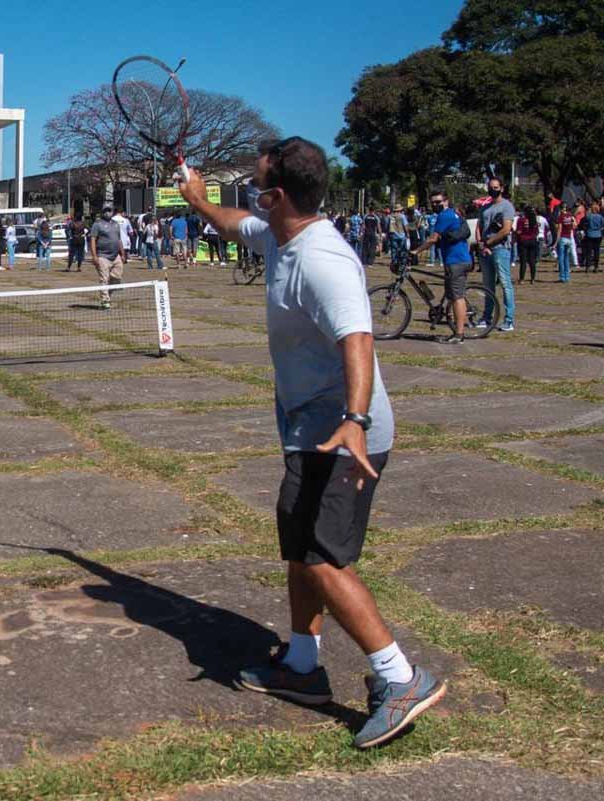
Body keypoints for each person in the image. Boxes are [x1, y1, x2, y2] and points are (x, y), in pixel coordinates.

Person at [177, 136, 444, 749]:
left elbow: (358, 338)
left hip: (349, 435)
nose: (248, 194)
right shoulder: (277, 234)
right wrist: (197, 198)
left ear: (276, 196)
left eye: (254, 185)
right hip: (306, 428)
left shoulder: (323, 258)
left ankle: (399, 678)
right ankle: (301, 667)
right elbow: (231, 222)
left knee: (325, 560)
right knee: (299, 550)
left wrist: (354, 418)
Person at [410, 188, 471, 343]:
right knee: (452, 294)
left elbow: (433, 238)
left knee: (457, 297)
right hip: (458, 259)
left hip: (456, 261)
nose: (435, 204)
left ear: (446, 201)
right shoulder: (453, 213)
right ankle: (454, 325)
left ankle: (459, 334)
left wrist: (416, 251)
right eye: (433, 203)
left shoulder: (445, 216)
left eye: (438, 202)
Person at [478, 177, 516, 331]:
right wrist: (482, 244)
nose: (492, 189)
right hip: (486, 250)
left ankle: (509, 319)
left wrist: (490, 242)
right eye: (490, 187)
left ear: (501, 188)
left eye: (495, 187)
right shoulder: (485, 208)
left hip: (501, 248)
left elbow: (506, 229)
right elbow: (480, 227)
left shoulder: (507, 206)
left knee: (505, 283)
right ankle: (487, 317)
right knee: (488, 285)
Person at [89, 205, 125, 309]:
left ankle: (108, 293)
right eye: (105, 211)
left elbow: (119, 240)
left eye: (109, 211)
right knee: (104, 279)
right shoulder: (97, 224)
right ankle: (105, 301)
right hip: (102, 256)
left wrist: (122, 253)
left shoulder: (116, 224)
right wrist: (94, 256)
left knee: (117, 277)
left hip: (115, 256)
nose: (107, 213)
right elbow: (92, 240)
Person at [515, 207, 540, 284]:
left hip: (523, 241)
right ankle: (533, 279)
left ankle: (522, 279)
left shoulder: (521, 220)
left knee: (523, 261)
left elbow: (519, 231)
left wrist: (515, 233)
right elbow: (537, 232)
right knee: (532, 261)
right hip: (533, 241)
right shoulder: (534, 220)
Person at [555, 203, 577, 283]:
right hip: (569, 238)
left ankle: (562, 277)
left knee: (561, 258)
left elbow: (559, 229)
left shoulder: (561, 217)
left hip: (562, 237)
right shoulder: (570, 216)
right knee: (566, 258)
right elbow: (575, 225)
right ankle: (567, 276)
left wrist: (556, 242)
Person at [582, 201, 604, 273]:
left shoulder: (589, 216)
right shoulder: (600, 217)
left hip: (589, 234)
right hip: (598, 234)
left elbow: (584, 223)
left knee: (588, 251)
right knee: (596, 251)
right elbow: (602, 225)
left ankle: (588, 266)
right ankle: (596, 266)